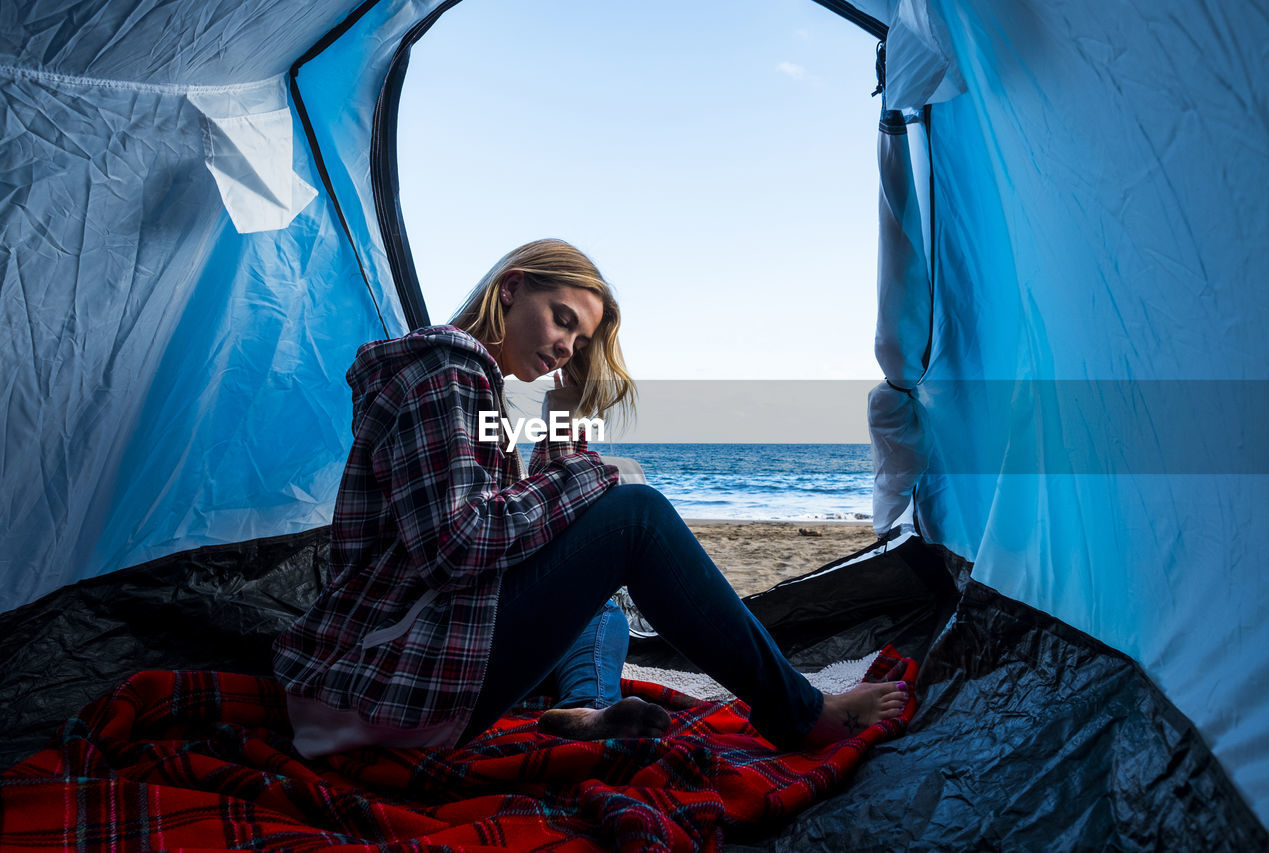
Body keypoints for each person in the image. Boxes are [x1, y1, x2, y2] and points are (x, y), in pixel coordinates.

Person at [271, 239, 907, 758]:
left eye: (578, 342)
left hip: (395, 670)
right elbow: (459, 547)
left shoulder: (471, 382)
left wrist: (561, 420)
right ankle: (802, 713)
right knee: (639, 517)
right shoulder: (448, 371)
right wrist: (596, 478)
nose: (564, 348)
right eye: (562, 320)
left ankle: (590, 708)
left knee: (601, 609)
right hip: (389, 685)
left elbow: (524, 521)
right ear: (511, 287)